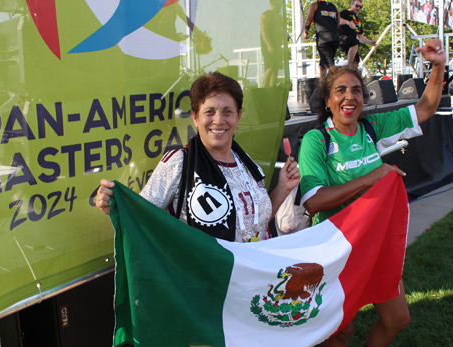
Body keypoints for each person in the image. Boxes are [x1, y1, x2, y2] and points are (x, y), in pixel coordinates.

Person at [298, 38, 445, 347]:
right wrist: (371, 177)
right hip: (336, 249)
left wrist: (437, 67)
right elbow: (314, 202)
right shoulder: (316, 139)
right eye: (340, 90)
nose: (349, 97)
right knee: (341, 331)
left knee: (397, 320)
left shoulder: (371, 127)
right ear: (328, 99)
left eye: (356, 90)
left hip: (374, 245)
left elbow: (424, 109)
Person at [96, 71, 300, 242]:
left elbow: (256, 223)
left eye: (227, 112)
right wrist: (112, 205)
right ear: (195, 117)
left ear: (238, 117)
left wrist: (283, 188)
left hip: (253, 282)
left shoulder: (246, 163)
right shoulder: (178, 162)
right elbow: (140, 216)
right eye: (209, 112)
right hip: (209, 285)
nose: (219, 120)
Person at [304, 0, 340, 78]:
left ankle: (338, 84)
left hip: (323, 39)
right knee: (323, 62)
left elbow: (307, 23)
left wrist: (306, 31)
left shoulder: (315, 5)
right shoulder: (334, 7)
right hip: (335, 38)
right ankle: (322, 85)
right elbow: (338, 25)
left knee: (331, 67)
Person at [339, 0, 376, 67]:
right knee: (355, 42)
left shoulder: (358, 21)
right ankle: (349, 65)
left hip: (351, 42)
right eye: (357, 6)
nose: (358, 8)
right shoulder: (345, 13)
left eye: (360, 7)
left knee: (356, 61)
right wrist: (348, 22)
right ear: (352, 5)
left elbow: (360, 37)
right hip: (342, 38)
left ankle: (351, 71)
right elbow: (337, 20)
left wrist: (370, 42)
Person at [260, 0, 283, 88]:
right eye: (277, 5)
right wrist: (269, 44)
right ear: (273, 4)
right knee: (270, 67)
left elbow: (280, 30)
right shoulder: (265, 15)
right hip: (268, 46)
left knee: (276, 67)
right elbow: (264, 31)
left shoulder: (280, 17)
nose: (279, 7)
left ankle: (273, 87)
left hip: (277, 45)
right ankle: (264, 88)